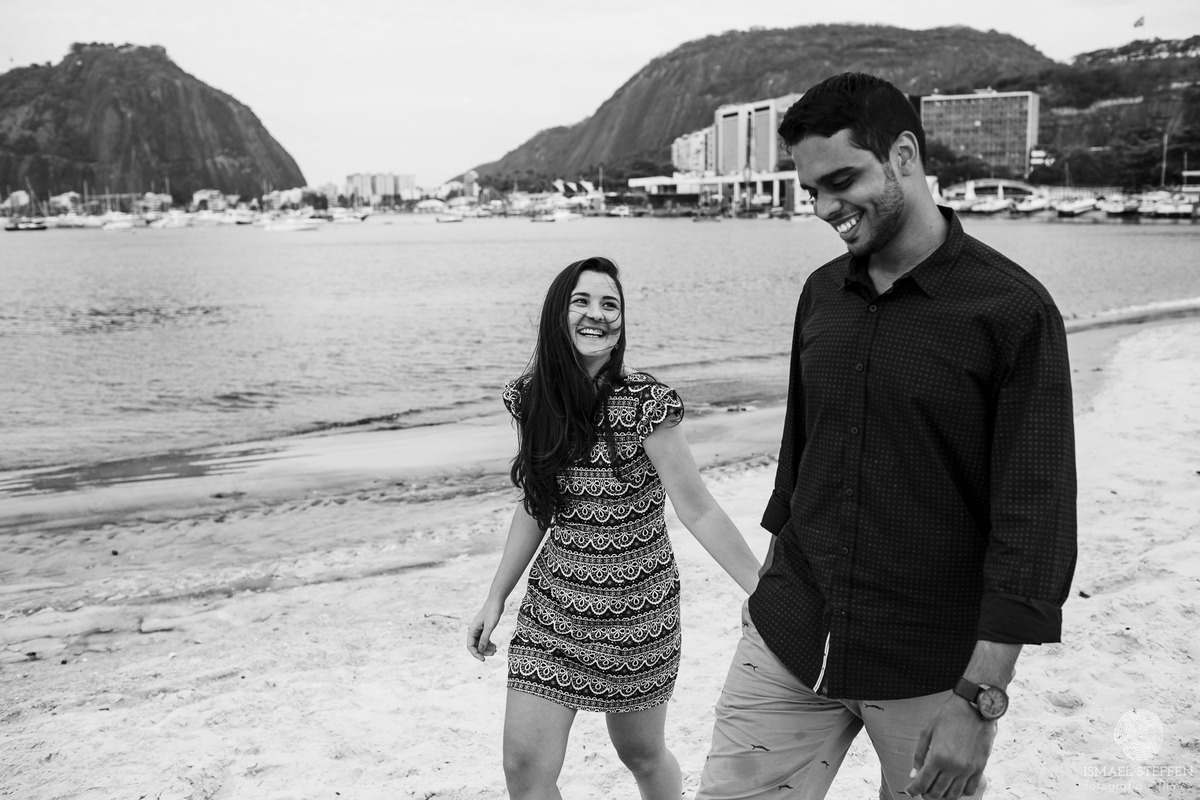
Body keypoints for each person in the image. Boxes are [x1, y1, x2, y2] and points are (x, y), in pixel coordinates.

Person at [696, 73, 1077, 800]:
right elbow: (802, 456)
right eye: (811, 190)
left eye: (842, 180)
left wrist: (981, 700)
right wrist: (769, 584)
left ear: (903, 154)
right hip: (790, 635)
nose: (825, 207)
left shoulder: (1013, 312)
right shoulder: (820, 294)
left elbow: (1037, 521)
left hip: (929, 668)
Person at [467, 256, 761, 800]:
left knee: (642, 755)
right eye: (582, 301)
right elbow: (537, 505)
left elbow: (697, 509)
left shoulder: (646, 402)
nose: (597, 315)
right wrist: (495, 598)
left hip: (638, 614)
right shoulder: (530, 399)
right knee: (524, 767)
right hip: (554, 611)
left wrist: (767, 590)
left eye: (611, 305)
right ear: (558, 313)